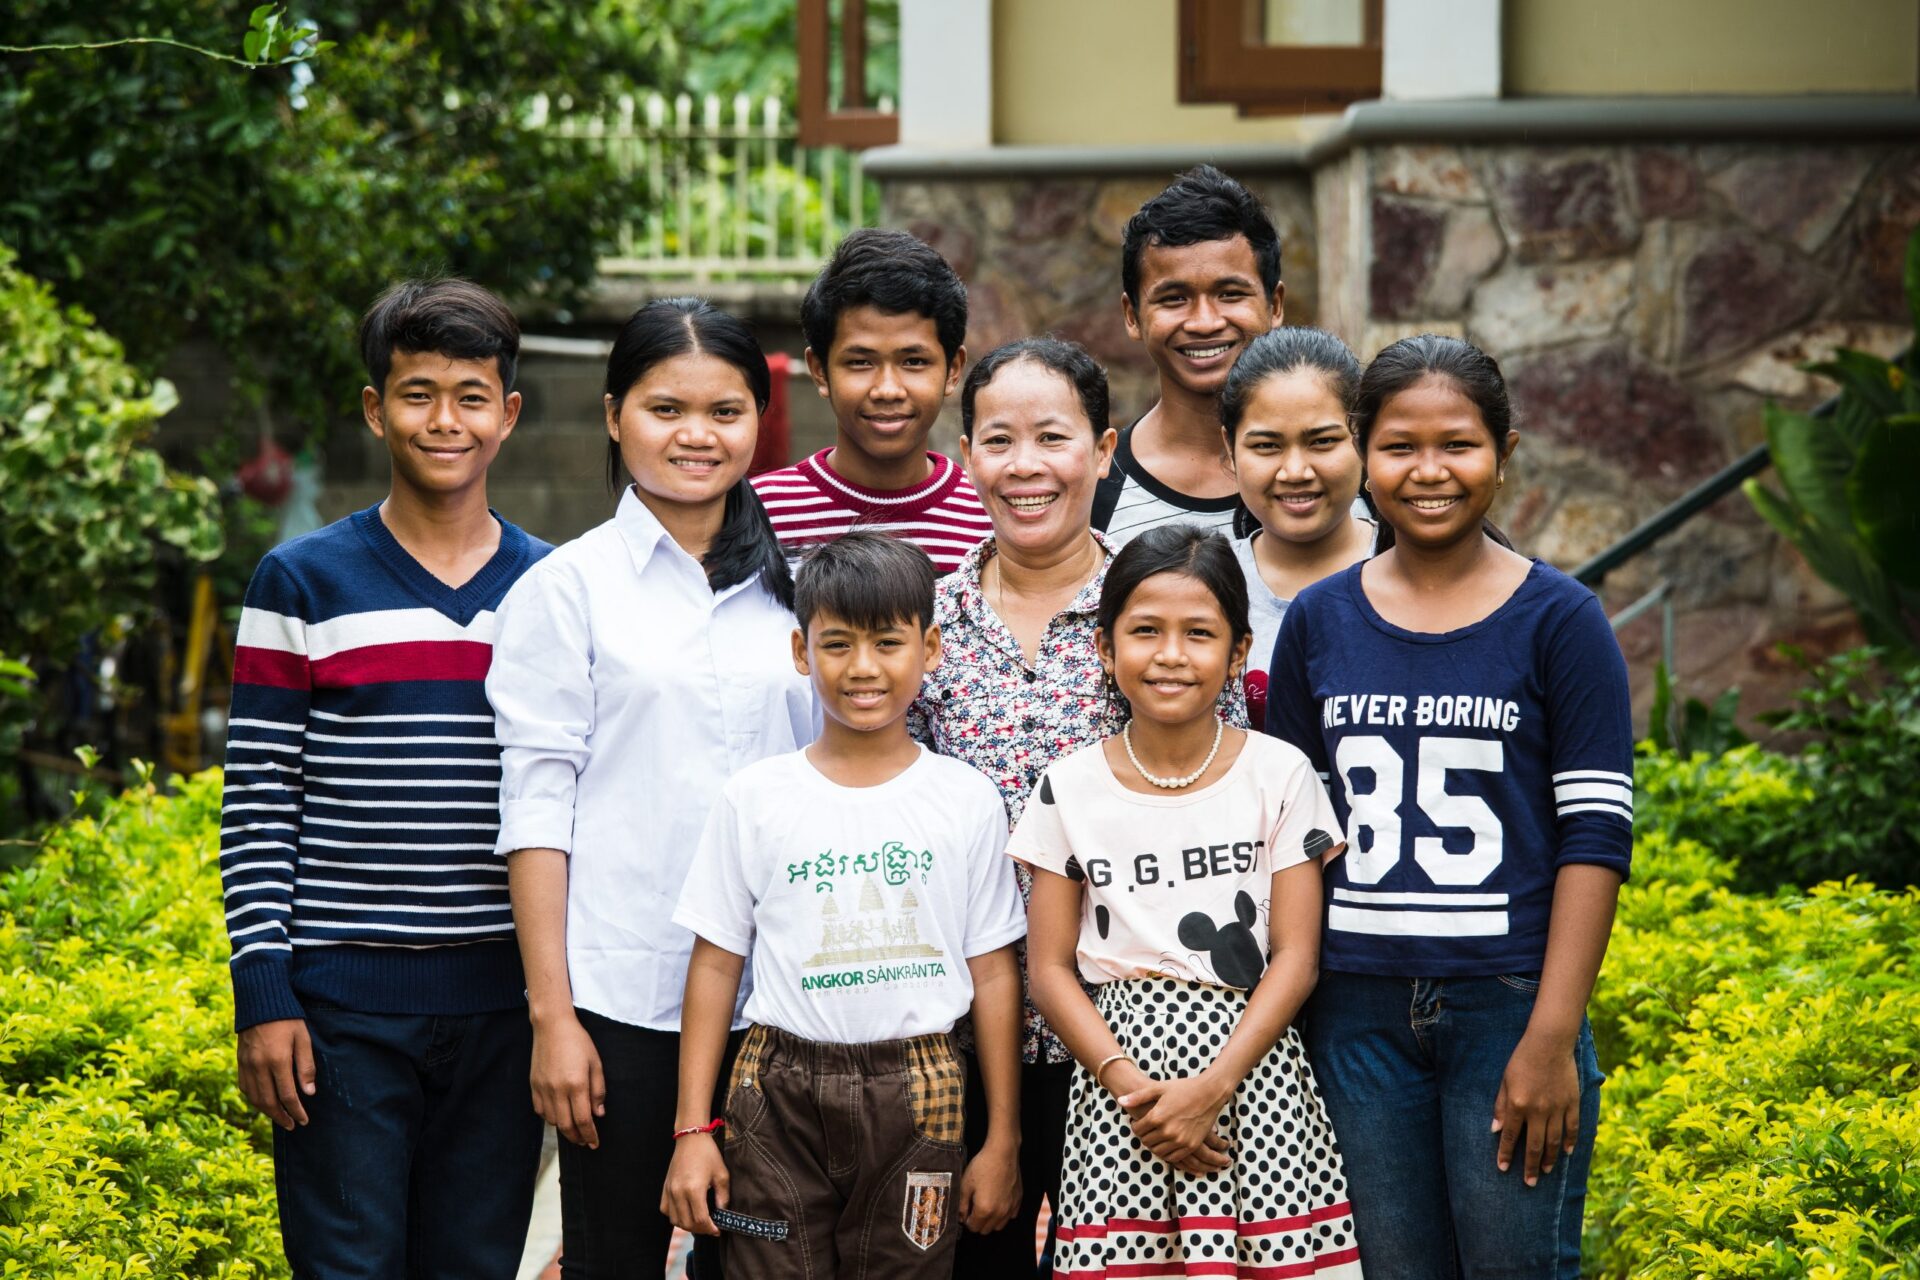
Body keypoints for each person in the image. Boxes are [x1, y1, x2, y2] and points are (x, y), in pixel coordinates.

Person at [1264, 334, 1633, 1278]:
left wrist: (1552, 1036)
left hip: (1507, 1006)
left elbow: (1594, 838)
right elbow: (1297, 835)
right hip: (1354, 1014)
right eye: (1400, 446)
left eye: (1459, 445)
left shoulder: (1561, 620)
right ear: (1362, 453)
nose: (1429, 472)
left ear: (1504, 454)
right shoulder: (1319, 620)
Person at [219, 278, 549, 1278]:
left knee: (476, 1265)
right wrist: (263, 990)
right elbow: (260, 794)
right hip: (341, 1012)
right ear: (375, 408)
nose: (444, 419)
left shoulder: (555, 589)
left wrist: (556, 1003)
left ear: (509, 414)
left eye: (470, 393)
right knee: (347, 1266)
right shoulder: (301, 579)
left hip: (502, 1007)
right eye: (417, 392)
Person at [488, 298, 816, 1278]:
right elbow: (536, 808)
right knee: (613, 1260)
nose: (696, 434)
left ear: (759, 420)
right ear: (612, 414)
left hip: (779, 997)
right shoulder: (565, 589)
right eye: (665, 407)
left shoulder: (793, 589)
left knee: (761, 1263)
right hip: (622, 997)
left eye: (725, 410)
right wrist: (554, 1016)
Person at [910, 337, 1248, 1275]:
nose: (1025, 466)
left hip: (1139, 1037)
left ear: (1101, 453)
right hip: (959, 1034)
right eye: (998, 440)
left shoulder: (1159, 617)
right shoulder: (929, 629)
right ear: (967, 453)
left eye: (1051, 438)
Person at [662, 531, 1027, 1278]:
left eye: (888, 644)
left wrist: (1004, 1141)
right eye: (837, 645)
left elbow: (993, 973)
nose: (863, 669)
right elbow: (716, 962)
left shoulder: (965, 799)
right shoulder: (756, 798)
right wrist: (692, 1129)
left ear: (930, 650)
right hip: (775, 1093)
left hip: (925, 1097)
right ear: (801, 652)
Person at [1011, 525, 1363, 1280]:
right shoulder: (1067, 787)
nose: (1170, 654)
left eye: (1199, 634)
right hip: (1118, 1094)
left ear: (1238, 654)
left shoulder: (1280, 775)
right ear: (1105, 650)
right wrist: (1135, 1092)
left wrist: (1215, 1085)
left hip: (1255, 1079)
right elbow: (1047, 969)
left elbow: (1297, 957)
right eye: (1145, 632)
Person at [750, 228, 992, 573]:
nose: (887, 389)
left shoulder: (990, 518)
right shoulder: (759, 514)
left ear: (953, 369)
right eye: (860, 362)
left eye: (914, 361)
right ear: (819, 371)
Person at [1093, 165, 1285, 546]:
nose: (1204, 322)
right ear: (1132, 316)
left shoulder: (1348, 480)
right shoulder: (1095, 492)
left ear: (1275, 305)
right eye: (1174, 299)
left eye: (1230, 293)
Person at [1220, 327, 1376, 730]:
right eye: (1267, 446)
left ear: (1362, 439)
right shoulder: (1203, 585)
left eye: (1322, 442)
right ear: (1229, 449)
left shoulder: (1415, 569)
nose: (1295, 472)